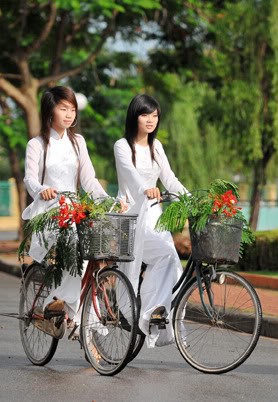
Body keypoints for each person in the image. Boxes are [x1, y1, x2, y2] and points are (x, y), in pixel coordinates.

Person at [22, 86, 110, 336]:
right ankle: (61, 308)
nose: (69, 114)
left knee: (87, 252)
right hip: (48, 211)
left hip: (73, 210)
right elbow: (29, 179)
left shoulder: (78, 141)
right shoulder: (37, 144)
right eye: (64, 108)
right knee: (72, 248)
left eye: (73, 109)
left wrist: (106, 199)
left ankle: (64, 308)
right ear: (50, 110)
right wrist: (42, 190)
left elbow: (89, 180)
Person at [114, 94, 188, 348]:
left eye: (155, 115)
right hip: (132, 216)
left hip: (154, 217)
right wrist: (146, 188)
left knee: (169, 258)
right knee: (165, 255)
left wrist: (191, 200)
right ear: (135, 116)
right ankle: (149, 310)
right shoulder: (122, 146)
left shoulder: (157, 148)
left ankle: (154, 311)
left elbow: (170, 179)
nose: (150, 120)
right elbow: (131, 175)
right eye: (145, 114)